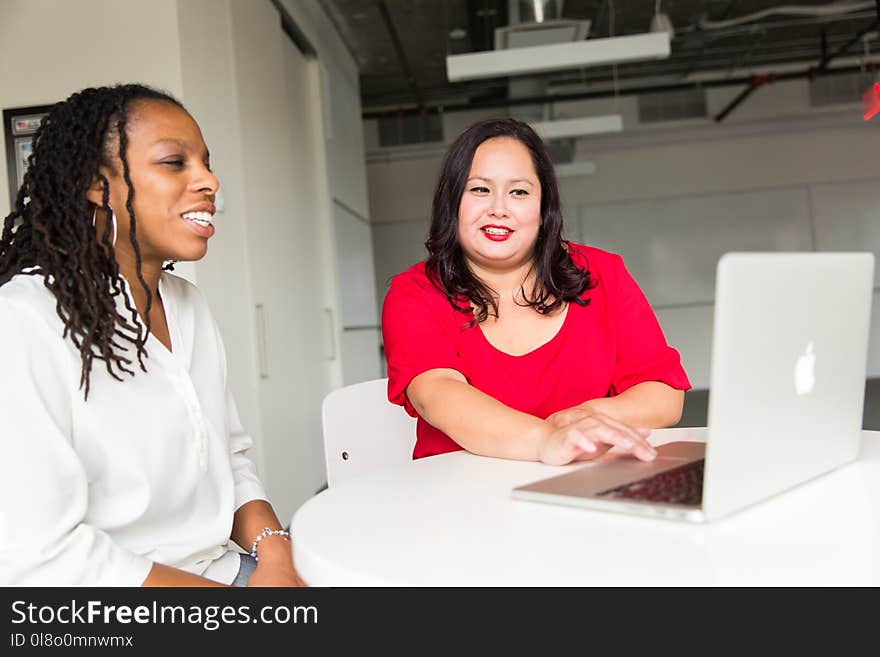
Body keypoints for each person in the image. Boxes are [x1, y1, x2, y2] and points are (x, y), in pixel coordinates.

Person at [0, 83, 304, 586]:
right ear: (98, 186)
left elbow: (229, 458)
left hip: (225, 571)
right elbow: (39, 556)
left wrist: (276, 558)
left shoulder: (189, 307)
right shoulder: (22, 320)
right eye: (174, 162)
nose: (209, 179)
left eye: (206, 162)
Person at [381, 118, 691, 465]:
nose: (498, 208)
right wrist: (547, 439)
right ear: (452, 202)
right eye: (480, 189)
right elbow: (437, 394)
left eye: (519, 192)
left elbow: (663, 395)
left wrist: (577, 421)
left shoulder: (604, 274)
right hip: (461, 500)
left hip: (584, 484)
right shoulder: (414, 293)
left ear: (544, 209)